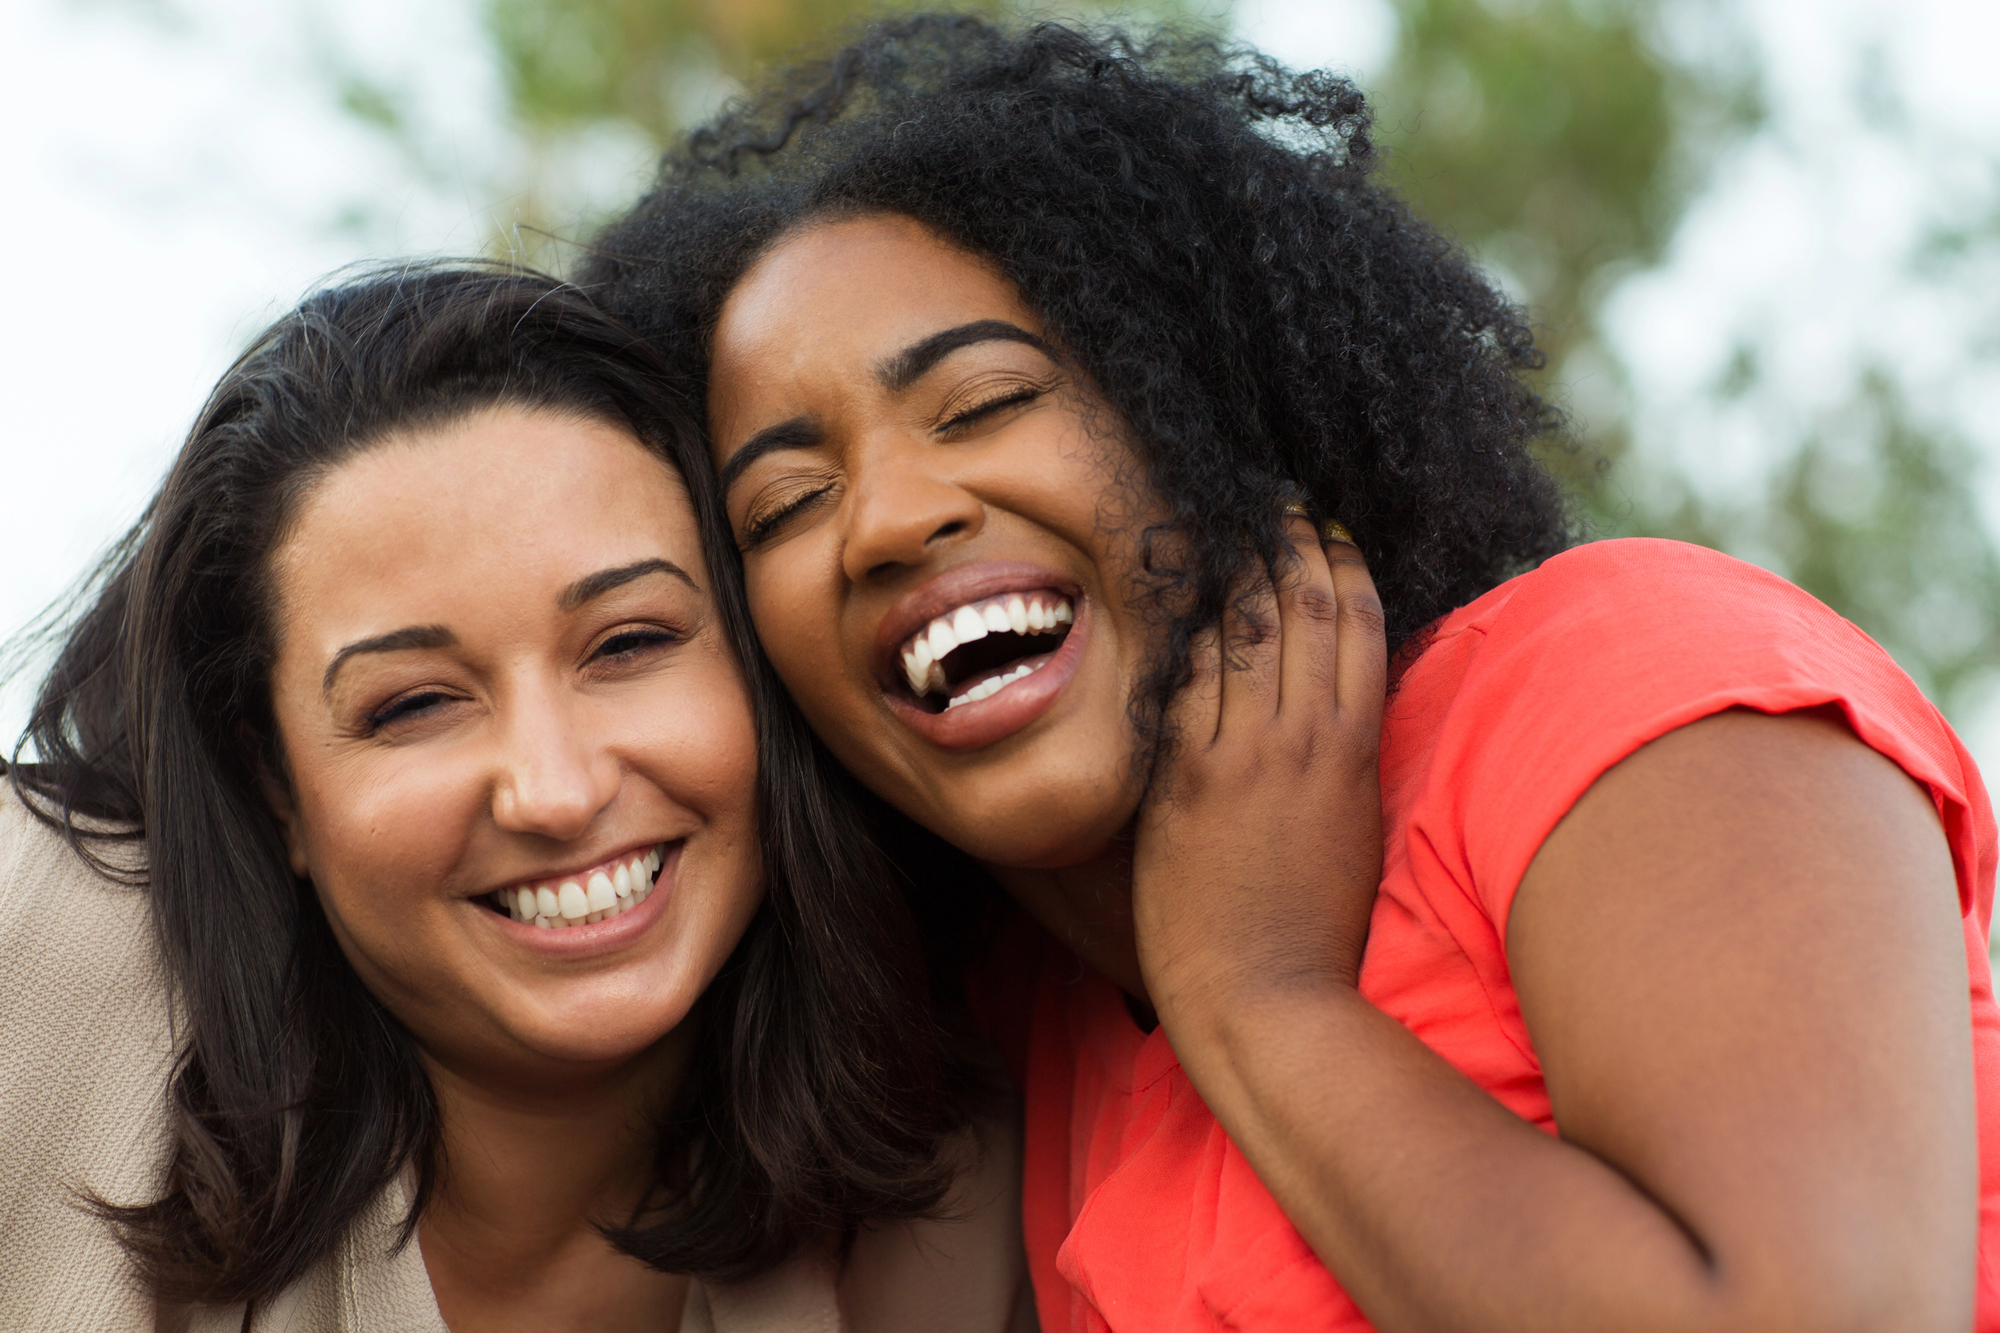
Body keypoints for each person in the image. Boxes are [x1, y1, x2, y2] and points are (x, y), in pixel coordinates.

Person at [584, 16, 2000, 1333]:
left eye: (987, 402)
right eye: (779, 507)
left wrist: (1264, 1000)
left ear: (1207, 400)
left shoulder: (1617, 678)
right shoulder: (1013, 1033)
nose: (888, 521)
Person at [0, 264, 1034, 1332]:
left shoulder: (953, 1196)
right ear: (275, 783)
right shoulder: (39, 932)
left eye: (630, 642)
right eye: (412, 706)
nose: (555, 789)